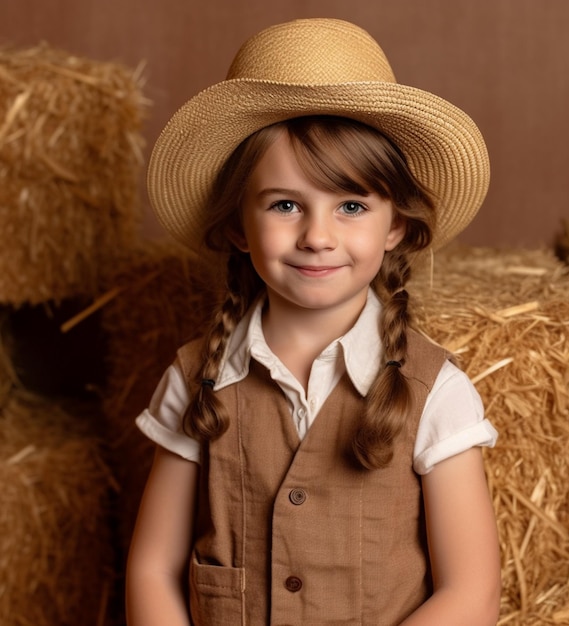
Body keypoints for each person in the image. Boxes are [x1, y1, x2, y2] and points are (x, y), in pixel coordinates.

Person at [126, 17, 501, 626]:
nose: (317, 236)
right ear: (236, 228)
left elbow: (472, 593)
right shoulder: (195, 377)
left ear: (396, 226)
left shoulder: (436, 393)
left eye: (351, 205)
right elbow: (150, 570)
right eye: (284, 205)